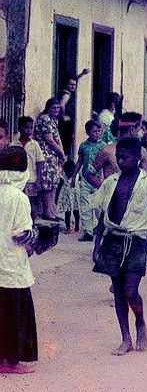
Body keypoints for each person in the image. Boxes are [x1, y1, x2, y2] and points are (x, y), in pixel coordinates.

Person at [90, 137, 147, 355]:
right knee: (118, 293)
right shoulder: (111, 182)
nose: (120, 161)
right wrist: (97, 244)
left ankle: (140, 321)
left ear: (137, 158)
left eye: (125, 157)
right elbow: (102, 214)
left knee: (131, 291)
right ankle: (125, 338)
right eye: (118, 157)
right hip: (113, 239)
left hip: (136, 241)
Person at [0, 146, 38, 374]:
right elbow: (21, 233)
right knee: (13, 315)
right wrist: (35, 240)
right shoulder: (19, 198)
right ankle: (9, 362)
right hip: (12, 266)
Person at [34, 98, 66, 222]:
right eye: (54, 108)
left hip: (53, 156)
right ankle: (47, 212)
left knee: (53, 184)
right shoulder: (45, 119)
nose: (56, 110)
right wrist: (61, 152)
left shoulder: (53, 120)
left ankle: (51, 210)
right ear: (48, 107)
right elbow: (49, 140)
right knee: (47, 185)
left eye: (58, 108)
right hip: (46, 155)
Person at [11, 116, 45, 221]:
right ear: (20, 128)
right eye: (26, 128)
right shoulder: (13, 144)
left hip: (31, 180)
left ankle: (32, 225)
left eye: (31, 128)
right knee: (18, 204)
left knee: (31, 204)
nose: (29, 130)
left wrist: (39, 180)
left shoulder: (34, 145)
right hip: (17, 180)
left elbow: (40, 162)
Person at [75, 120, 104, 240]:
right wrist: (74, 176)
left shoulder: (103, 146)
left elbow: (105, 164)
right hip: (86, 179)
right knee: (85, 206)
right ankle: (88, 231)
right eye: (94, 131)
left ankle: (101, 228)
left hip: (99, 179)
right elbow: (80, 161)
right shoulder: (83, 146)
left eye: (98, 131)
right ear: (87, 132)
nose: (97, 133)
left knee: (99, 206)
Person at [57, 69, 89, 159]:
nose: (73, 86)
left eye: (74, 85)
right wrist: (63, 116)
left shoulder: (67, 91)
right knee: (66, 148)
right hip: (65, 125)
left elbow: (74, 80)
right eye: (70, 84)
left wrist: (81, 74)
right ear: (66, 84)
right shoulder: (67, 94)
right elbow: (61, 105)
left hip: (66, 124)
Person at [55, 160, 79, 234]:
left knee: (76, 212)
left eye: (71, 171)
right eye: (67, 172)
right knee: (67, 212)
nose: (69, 173)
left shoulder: (77, 176)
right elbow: (59, 186)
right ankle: (68, 227)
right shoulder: (63, 177)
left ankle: (77, 226)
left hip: (75, 196)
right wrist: (57, 197)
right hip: (66, 197)